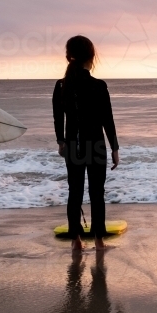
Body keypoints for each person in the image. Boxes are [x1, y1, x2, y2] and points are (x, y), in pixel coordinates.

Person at [53, 36, 120, 254]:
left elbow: (58, 118)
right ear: (91, 57)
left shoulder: (62, 86)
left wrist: (61, 142)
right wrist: (115, 148)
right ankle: (99, 241)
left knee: (75, 192)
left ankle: (76, 241)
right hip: (97, 146)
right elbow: (107, 120)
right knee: (97, 193)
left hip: (73, 145)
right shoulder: (98, 86)